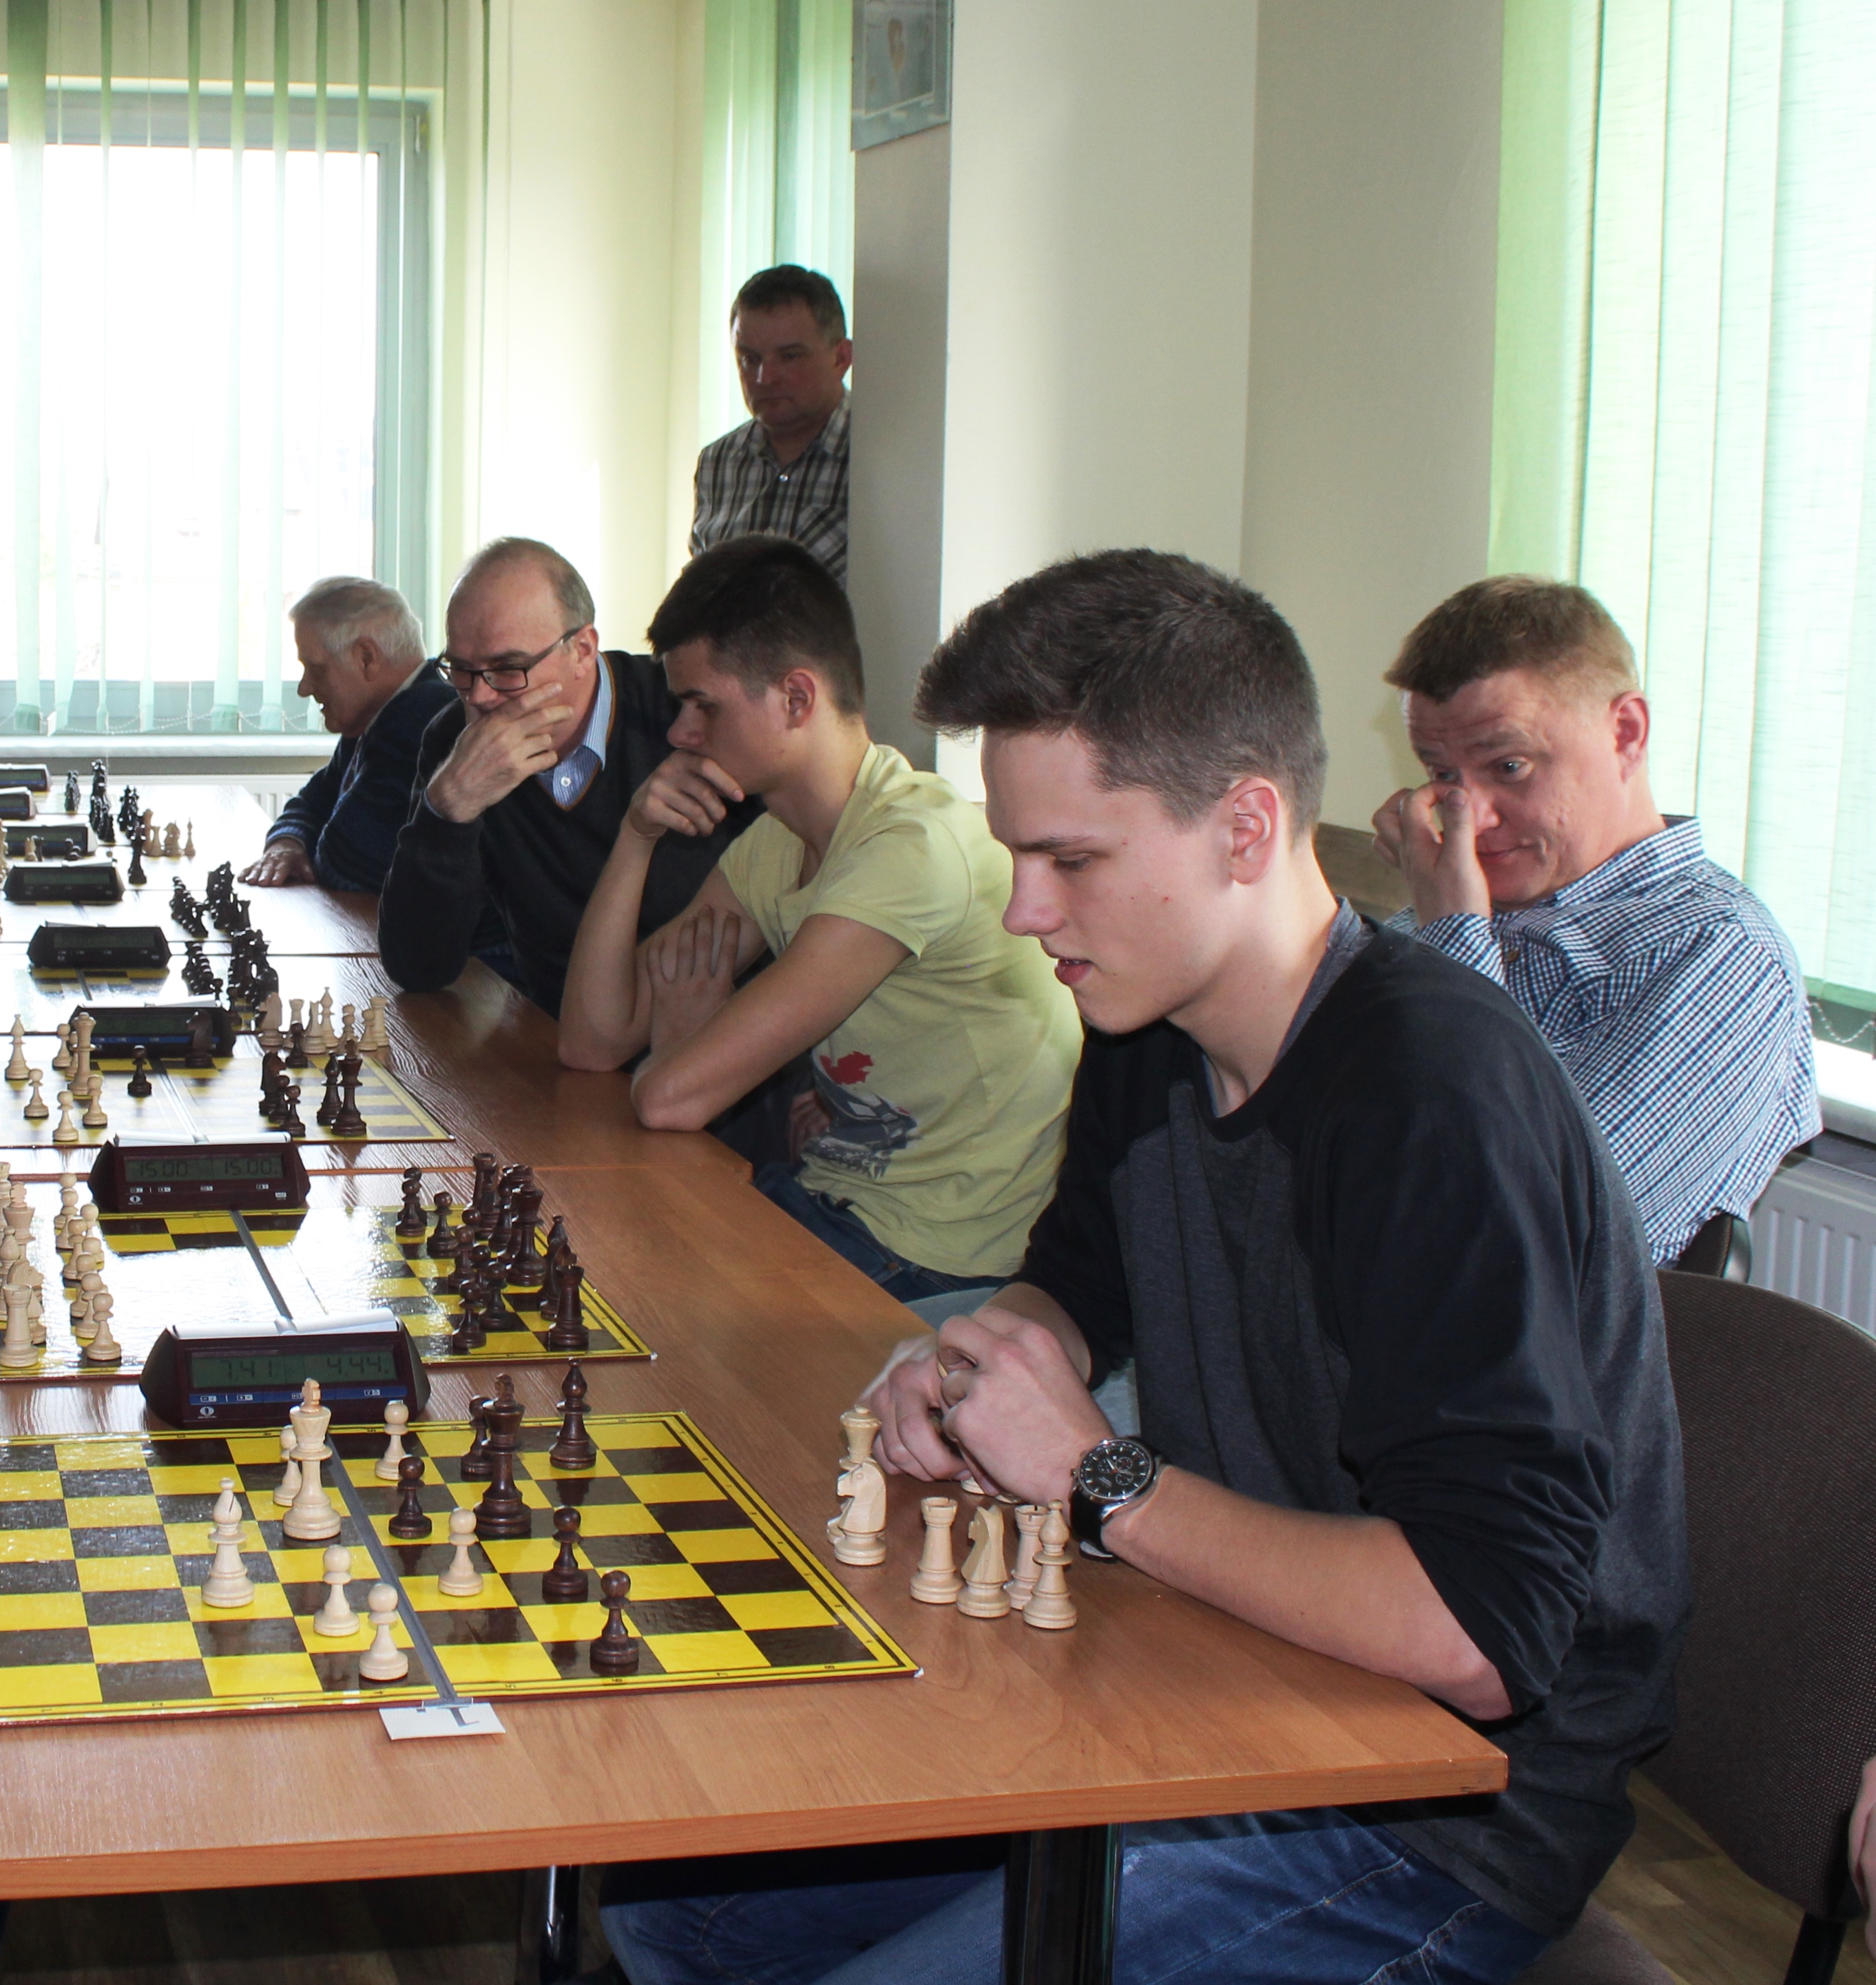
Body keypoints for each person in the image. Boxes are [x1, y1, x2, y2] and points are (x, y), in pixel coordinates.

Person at [598, 550, 1686, 1984]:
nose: (1022, 912)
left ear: (1244, 828)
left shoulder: (1433, 1097)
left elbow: (1482, 1634)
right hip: (1216, 1672)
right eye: (1015, 855)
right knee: (671, 1912)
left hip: (1431, 1819)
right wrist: (982, 1355)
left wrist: (1099, 1476)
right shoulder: (1146, 1028)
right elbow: (1076, 1281)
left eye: (1071, 862)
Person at [554, 537, 1077, 1302]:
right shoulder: (779, 842)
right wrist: (636, 835)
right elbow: (593, 1040)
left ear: (797, 699)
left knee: (630, 1295)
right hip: (835, 1204)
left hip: (936, 1259)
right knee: (582, 1251)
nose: (681, 734)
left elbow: (670, 1097)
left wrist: (683, 1038)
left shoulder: (910, 848)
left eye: (704, 705)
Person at [1371, 576, 1817, 1268]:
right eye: (1443, 774)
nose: (1472, 817)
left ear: (1626, 733)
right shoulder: (1445, 917)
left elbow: (1526, 1235)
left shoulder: (1721, 954)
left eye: (1509, 766)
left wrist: (1453, 934)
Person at [376, 538, 758, 1014]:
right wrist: (449, 809)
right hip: (554, 1031)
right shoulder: (456, 741)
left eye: (507, 668)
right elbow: (418, 968)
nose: (479, 697)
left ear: (582, 650)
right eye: (460, 669)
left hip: (712, 1027)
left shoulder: (687, 715)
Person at [247, 576, 454, 894]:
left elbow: (344, 863)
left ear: (366, 658)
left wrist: (312, 844)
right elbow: (312, 800)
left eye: (317, 669)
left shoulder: (421, 717)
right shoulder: (371, 717)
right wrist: (288, 842)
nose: (304, 688)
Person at [688, 265, 853, 585]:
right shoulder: (718, 462)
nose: (765, 378)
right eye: (749, 359)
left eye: (790, 357)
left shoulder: (876, 458)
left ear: (841, 358)